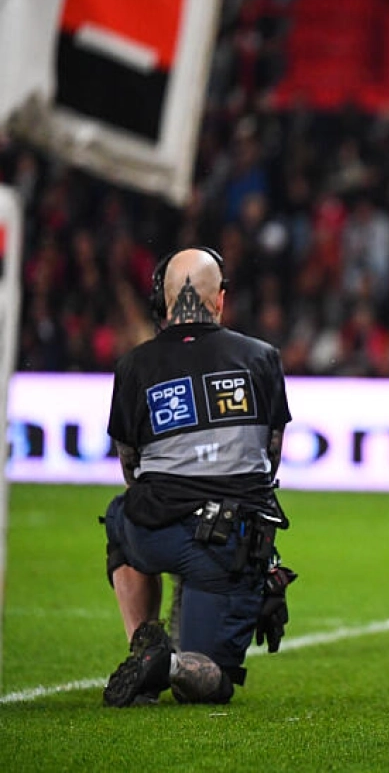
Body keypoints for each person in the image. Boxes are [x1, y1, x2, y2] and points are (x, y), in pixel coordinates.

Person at [101, 247, 295, 706]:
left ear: (164, 301)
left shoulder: (133, 366)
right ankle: (164, 665)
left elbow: (130, 467)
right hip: (226, 546)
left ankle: (143, 644)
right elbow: (269, 461)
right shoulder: (261, 358)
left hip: (151, 530)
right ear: (220, 299)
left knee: (119, 517)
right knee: (211, 681)